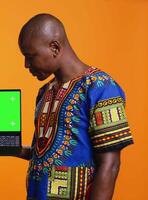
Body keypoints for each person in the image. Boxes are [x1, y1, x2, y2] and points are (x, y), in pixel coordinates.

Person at [17, 14, 133, 200]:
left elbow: (110, 165)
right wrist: (3, 147)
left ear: (54, 47)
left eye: (30, 57)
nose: (26, 64)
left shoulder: (101, 87)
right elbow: (43, 154)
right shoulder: (44, 92)